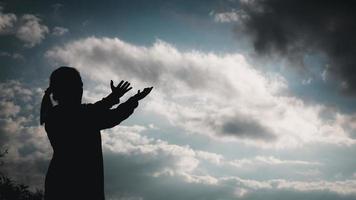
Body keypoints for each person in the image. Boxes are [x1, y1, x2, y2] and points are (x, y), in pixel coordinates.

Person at [40, 66, 153, 200]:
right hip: (81, 185)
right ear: (68, 89)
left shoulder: (55, 114)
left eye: (81, 85)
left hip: (60, 182)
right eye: (78, 84)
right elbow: (106, 114)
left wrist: (122, 98)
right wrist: (129, 99)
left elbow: (98, 112)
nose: (81, 89)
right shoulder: (64, 115)